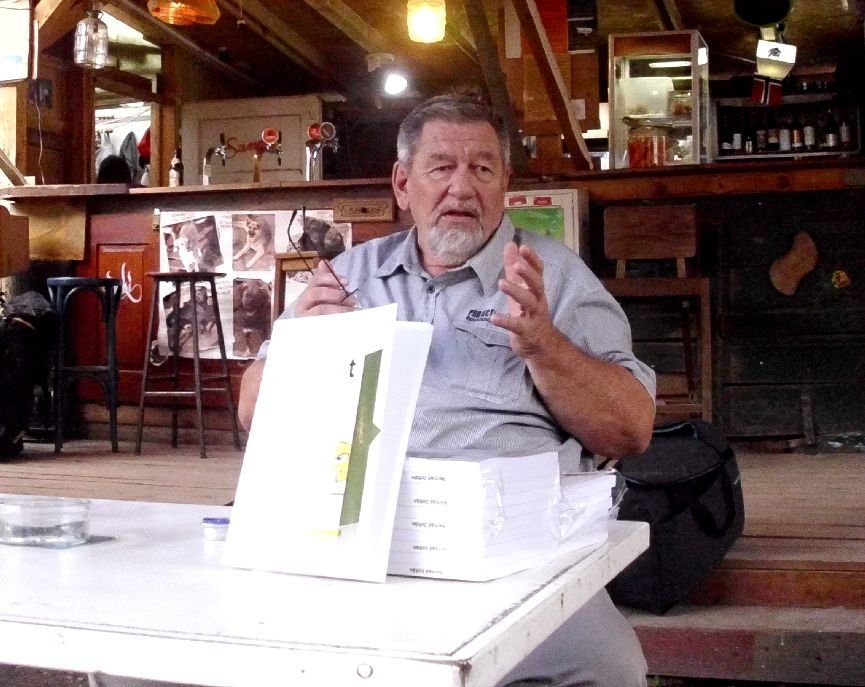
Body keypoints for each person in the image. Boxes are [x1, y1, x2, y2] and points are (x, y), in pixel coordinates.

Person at [238, 93, 656, 687]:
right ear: (402, 184)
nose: (462, 187)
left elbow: (630, 430)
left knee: (606, 668)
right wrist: (302, 350)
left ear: (504, 184)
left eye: (482, 168)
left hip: (512, 553)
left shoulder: (553, 277)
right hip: (358, 542)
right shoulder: (349, 276)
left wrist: (545, 346)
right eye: (441, 167)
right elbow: (252, 413)